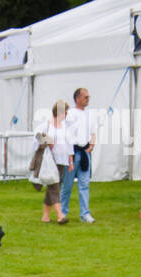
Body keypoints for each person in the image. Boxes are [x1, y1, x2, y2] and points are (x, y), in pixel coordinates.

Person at [61, 87, 96, 224]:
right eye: (85, 97)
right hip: (73, 152)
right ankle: (63, 212)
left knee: (84, 184)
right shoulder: (70, 114)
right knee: (67, 185)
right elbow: (67, 135)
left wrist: (91, 146)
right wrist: (69, 156)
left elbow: (93, 132)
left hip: (85, 152)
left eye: (88, 97)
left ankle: (85, 213)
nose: (88, 99)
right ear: (77, 99)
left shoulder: (90, 115)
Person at [34, 100, 70, 224]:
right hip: (50, 161)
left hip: (62, 160)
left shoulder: (65, 126)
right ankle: (60, 215)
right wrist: (49, 140)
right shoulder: (46, 125)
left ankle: (45, 216)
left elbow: (68, 143)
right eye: (65, 112)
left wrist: (70, 160)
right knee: (54, 187)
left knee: (53, 187)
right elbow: (37, 135)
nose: (66, 114)